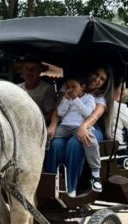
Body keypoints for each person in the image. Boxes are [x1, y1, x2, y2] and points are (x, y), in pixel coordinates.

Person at [46, 65, 113, 196]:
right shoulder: (70, 87)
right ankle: (50, 184)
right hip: (66, 125)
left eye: (102, 79)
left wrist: (84, 126)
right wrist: (53, 125)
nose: (97, 79)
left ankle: (71, 188)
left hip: (90, 127)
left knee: (75, 144)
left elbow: (94, 116)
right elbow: (58, 109)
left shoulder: (98, 97)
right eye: (96, 74)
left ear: (104, 84)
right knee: (56, 145)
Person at [16, 58, 57, 124]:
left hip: (40, 125)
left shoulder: (47, 89)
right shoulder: (17, 88)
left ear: (39, 72)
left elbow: (50, 115)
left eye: (34, 69)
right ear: (22, 71)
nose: (29, 72)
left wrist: (32, 122)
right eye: (26, 68)